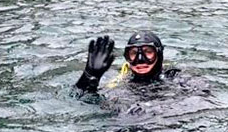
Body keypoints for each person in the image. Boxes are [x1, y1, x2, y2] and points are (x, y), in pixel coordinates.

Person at [73, 32, 207, 109]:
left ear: (159, 55)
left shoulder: (177, 78)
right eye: (133, 54)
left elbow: (203, 98)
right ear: (127, 57)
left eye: (148, 52)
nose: (140, 59)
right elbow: (77, 100)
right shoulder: (120, 84)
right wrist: (89, 75)